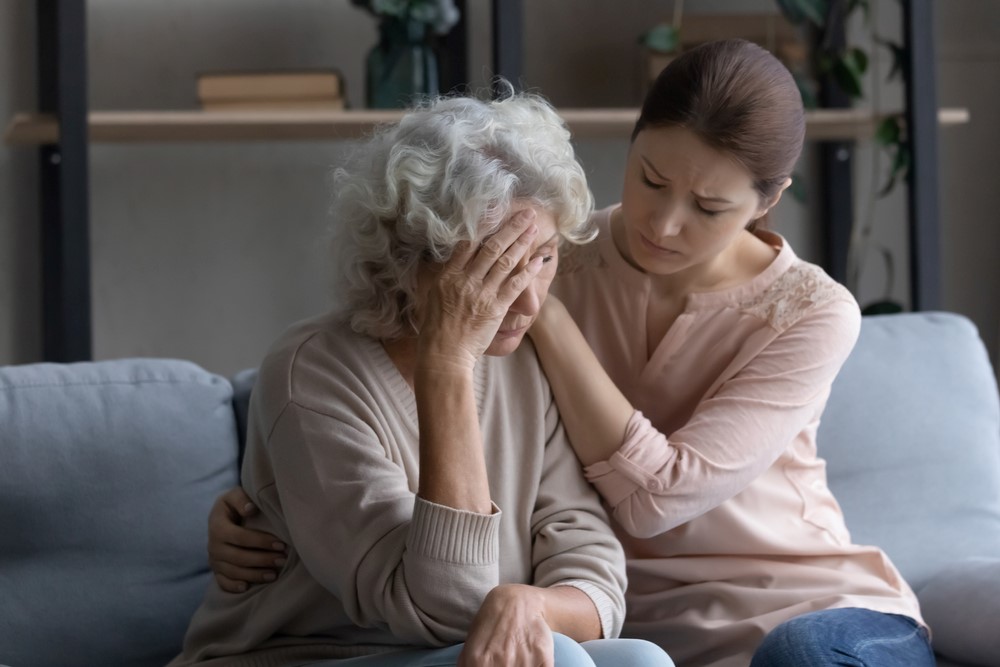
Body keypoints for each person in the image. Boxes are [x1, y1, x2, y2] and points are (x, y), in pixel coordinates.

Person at [208, 40, 934, 666]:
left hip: (797, 604)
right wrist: (264, 500)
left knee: (794, 653)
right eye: (650, 179)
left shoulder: (804, 309)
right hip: (607, 622)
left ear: (768, 200)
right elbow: (334, 390)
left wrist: (536, 312)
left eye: (710, 208)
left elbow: (649, 503)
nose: (665, 224)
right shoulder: (549, 247)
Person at [168, 88, 674, 667]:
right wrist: (448, 363)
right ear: (411, 261)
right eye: (493, 268)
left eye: (543, 258)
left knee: (641, 661)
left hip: (464, 653)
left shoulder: (527, 362)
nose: (527, 302)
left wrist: (533, 606)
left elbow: (594, 568)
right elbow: (447, 610)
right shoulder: (310, 372)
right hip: (310, 655)